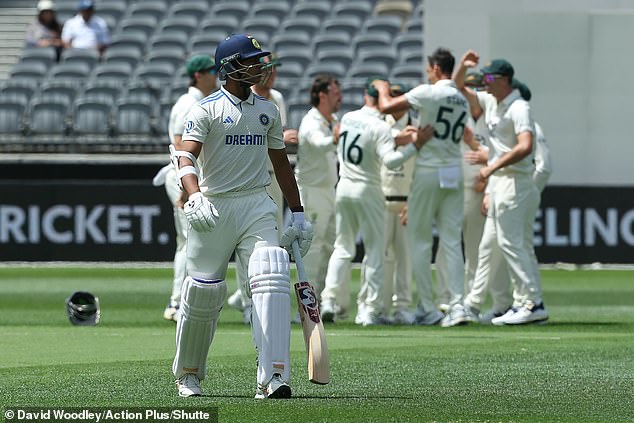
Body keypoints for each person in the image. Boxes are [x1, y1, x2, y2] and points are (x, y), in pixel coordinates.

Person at [170, 34, 313, 399]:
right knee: (203, 293)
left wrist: (297, 212)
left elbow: (282, 166)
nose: (259, 66)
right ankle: (188, 374)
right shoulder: (205, 109)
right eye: (250, 60)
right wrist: (194, 193)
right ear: (229, 66)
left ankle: (273, 376)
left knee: (272, 277)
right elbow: (185, 157)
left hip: (256, 204)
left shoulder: (267, 110)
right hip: (214, 207)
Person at [320, 78, 434, 326]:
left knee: (343, 248)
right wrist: (416, 146)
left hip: (344, 186)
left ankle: (328, 300)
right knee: (374, 251)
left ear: (365, 97)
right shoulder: (380, 127)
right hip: (369, 189)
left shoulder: (348, 118)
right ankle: (369, 310)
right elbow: (391, 161)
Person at [374, 48, 471, 327]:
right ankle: (457, 306)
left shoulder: (429, 92)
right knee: (452, 241)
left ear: (437, 69)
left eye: (429, 69)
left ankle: (427, 307)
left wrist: (382, 88)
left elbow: (386, 107)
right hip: (454, 172)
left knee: (419, 241)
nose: (427, 74)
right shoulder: (461, 100)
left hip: (429, 171)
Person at [453, 50, 548, 325]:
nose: (485, 82)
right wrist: (463, 65)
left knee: (512, 244)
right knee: (487, 246)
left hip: (514, 182)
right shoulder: (493, 102)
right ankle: (474, 304)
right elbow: (459, 85)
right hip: (500, 184)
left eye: (490, 77)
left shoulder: (519, 107)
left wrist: (491, 166)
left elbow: (525, 146)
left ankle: (532, 302)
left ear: (505, 80)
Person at [227, 53, 300, 322]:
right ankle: (248, 301)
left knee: (271, 241)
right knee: (243, 241)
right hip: (248, 176)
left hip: (272, 176)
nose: (271, 74)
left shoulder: (276, 98)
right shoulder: (244, 95)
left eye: (273, 69)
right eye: (266, 68)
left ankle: (254, 296)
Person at [153, 55, 218, 322]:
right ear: (197, 75)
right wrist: (185, 184)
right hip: (184, 176)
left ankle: (180, 301)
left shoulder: (198, 101)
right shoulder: (189, 103)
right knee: (189, 242)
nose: (215, 75)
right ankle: (177, 303)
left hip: (188, 176)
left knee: (190, 242)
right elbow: (181, 143)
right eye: (210, 71)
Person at [356, 81, 420, 325]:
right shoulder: (379, 126)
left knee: (404, 258)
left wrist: (413, 202)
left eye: (397, 95)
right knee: (376, 255)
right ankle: (372, 306)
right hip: (379, 200)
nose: (393, 100)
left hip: (405, 202)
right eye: (390, 95)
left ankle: (402, 307)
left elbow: (420, 171)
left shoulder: (417, 129)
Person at [294, 74, 341, 307]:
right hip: (311, 191)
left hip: (329, 190)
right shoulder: (311, 121)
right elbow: (320, 144)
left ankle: (319, 302)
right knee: (313, 248)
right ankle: (306, 306)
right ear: (322, 95)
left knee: (330, 246)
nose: (340, 97)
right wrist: (335, 139)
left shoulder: (332, 118)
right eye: (335, 93)